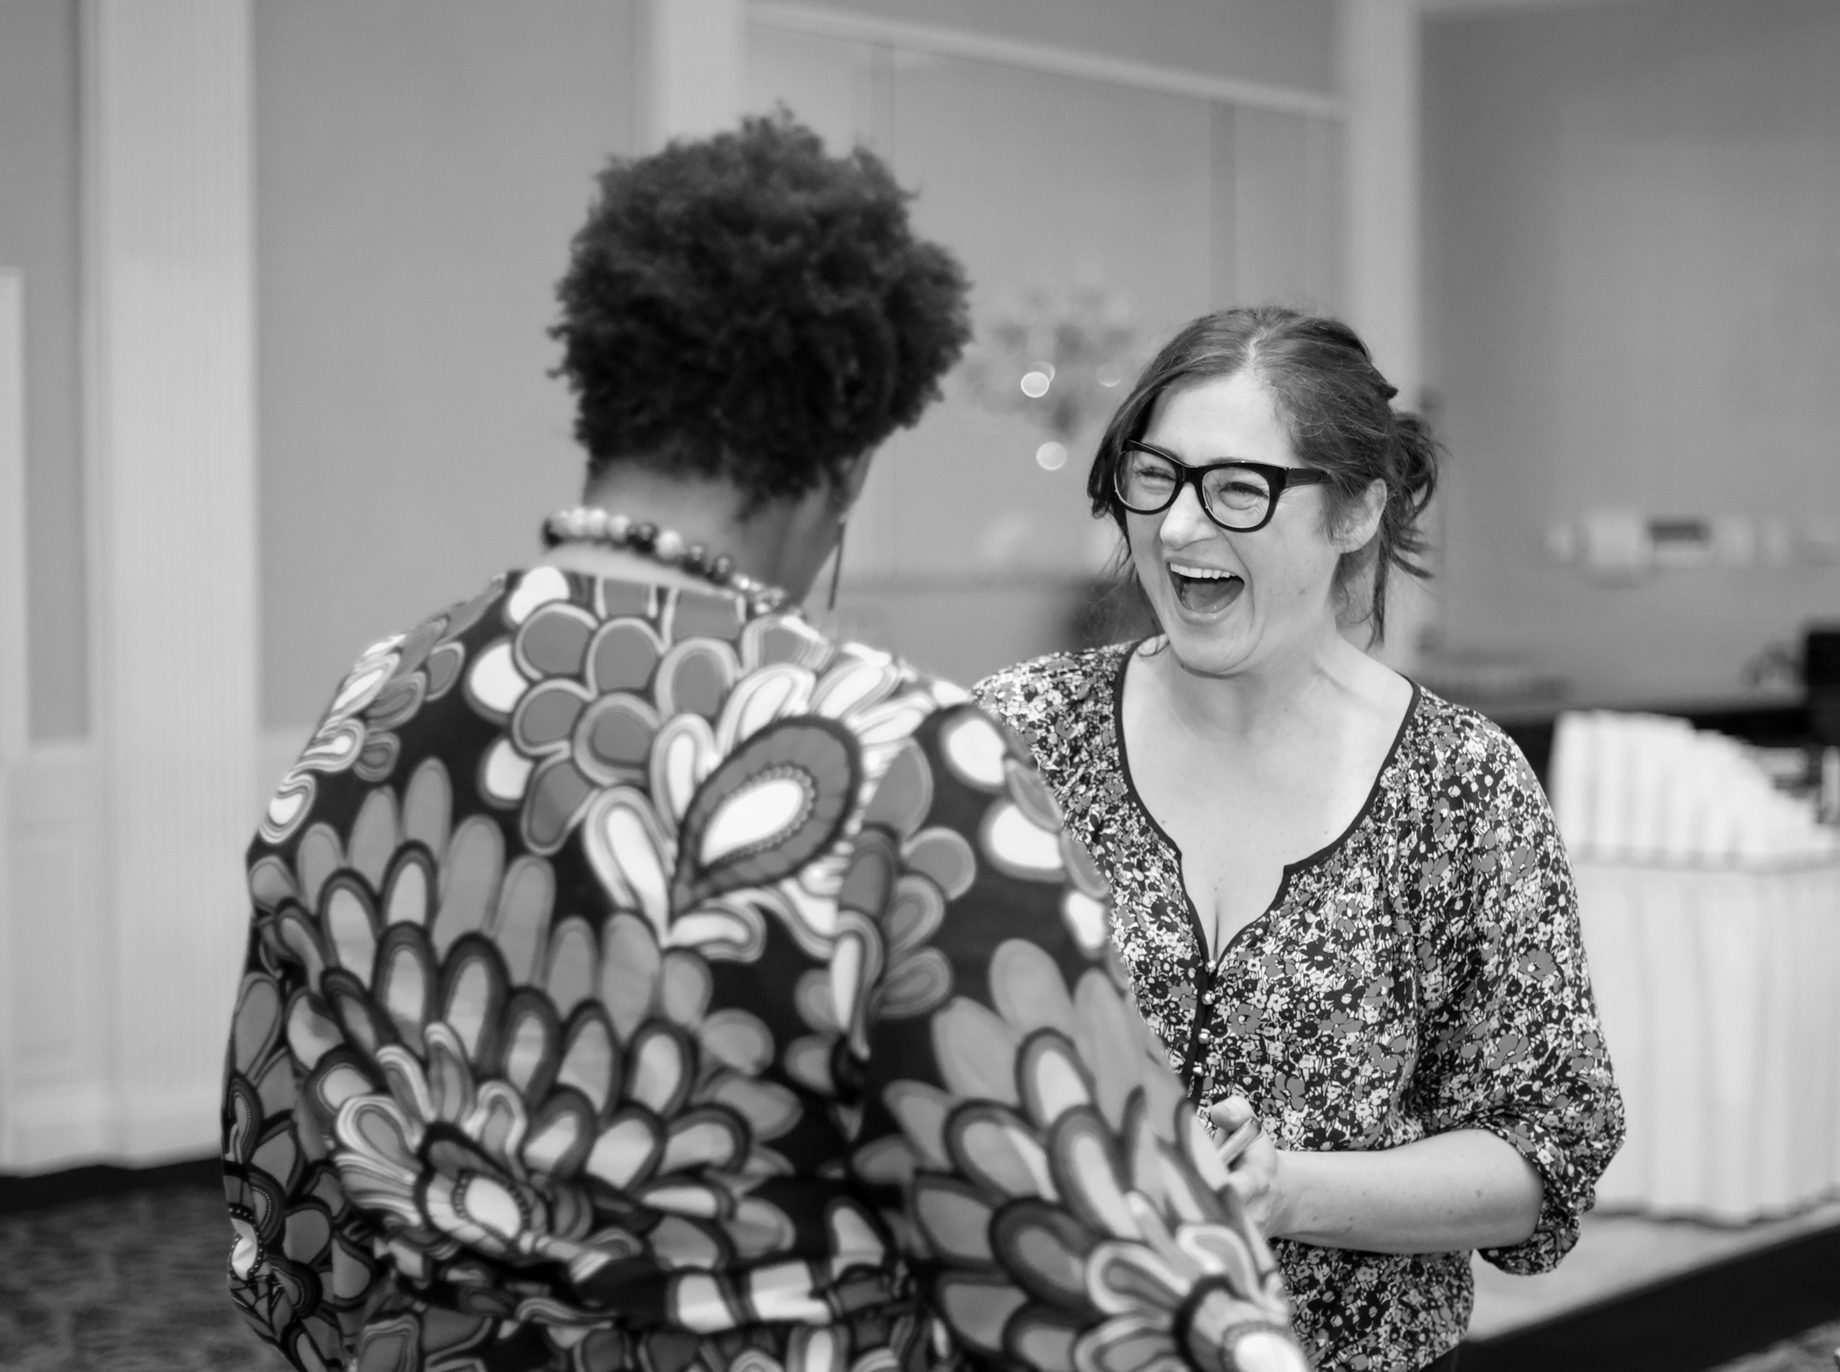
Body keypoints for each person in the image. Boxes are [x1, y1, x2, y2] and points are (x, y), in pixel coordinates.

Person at [221, 118, 1309, 1372]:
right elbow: (1130, 1297)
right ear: (847, 454)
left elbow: (278, 1215)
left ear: (605, 385)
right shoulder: (899, 766)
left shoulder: (375, 706)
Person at [974, 306, 1623, 1372]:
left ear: (1356, 510)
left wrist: (1288, 1189)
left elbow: (1542, 1150)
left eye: (1239, 488)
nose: (1179, 529)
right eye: (1155, 477)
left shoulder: (1458, 786)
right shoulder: (1019, 737)